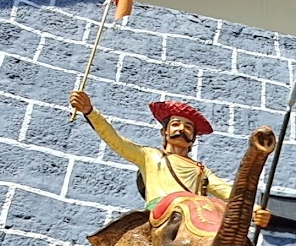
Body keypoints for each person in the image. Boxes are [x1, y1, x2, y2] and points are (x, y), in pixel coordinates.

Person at [69, 89, 270, 228]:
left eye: (188, 127)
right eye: (176, 124)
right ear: (164, 132)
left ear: (193, 139)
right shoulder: (149, 156)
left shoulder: (200, 170)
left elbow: (229, 192)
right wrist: (90, 111)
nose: (182, 129)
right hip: (157, 215)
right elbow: (116, 141)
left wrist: (254, 210)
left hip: (191, 216)